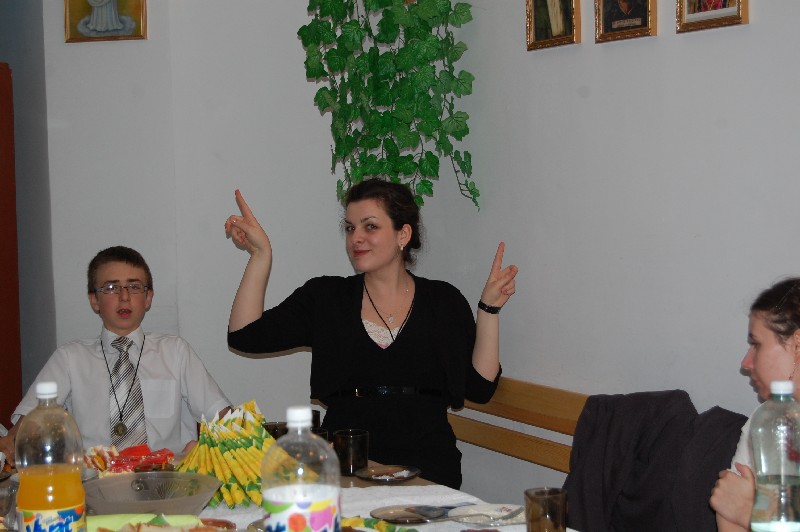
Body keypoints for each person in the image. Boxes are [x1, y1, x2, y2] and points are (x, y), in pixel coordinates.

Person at [225, 179, 518, 488]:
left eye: (370, 227)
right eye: (350, 228)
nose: (356, 238)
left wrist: (489, 309)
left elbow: (480, 388)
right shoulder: (326, 298)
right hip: (347, 468)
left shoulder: (443, 301)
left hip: (427, 472)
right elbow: (245, 335)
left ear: (403, 234)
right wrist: (261, 255)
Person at [0, 246, 231, 465]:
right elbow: (28, 425)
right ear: (94, 300)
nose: (124, 297)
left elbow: (223, 419)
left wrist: (210, 449)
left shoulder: (175, 352)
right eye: (111, 288)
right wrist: (11, 442)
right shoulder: (70, 358)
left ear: (148, 298)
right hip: (95, 481)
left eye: (134, 287)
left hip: (166, 479)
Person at [710, 277, 800, 531]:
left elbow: (738, 510)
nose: (746, 363)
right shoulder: (766, 419)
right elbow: (729, 512)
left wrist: (754, 515)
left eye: (756, 344)